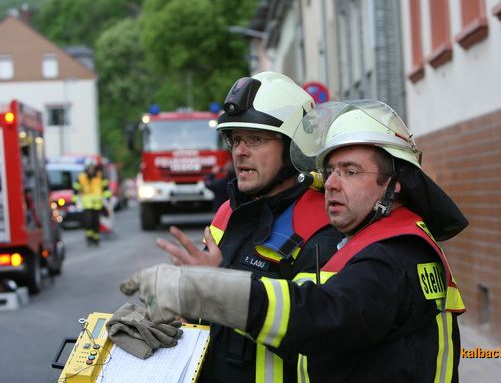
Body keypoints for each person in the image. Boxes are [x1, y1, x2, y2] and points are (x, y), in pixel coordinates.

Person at [122, 99, 469, 382]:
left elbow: (319, 314)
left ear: (395, 183)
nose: (331, 184)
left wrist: (208, 291)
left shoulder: (394, 256)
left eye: (350, 171)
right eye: (330, 171)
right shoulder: (384, 241)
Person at [153, 71, 341, 383]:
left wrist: (220, 289)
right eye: (235, 139)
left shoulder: (323, 226)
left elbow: (317, 332)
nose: (239, 151)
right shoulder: (228, 213)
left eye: (255, 139)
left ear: (296, 147)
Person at [73, 157, 111, 246]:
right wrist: (74, 201)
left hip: (97, 204)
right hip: (87, 205)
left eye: (92, 168)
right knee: (88, 222)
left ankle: (96, 238)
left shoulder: (100, 176)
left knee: (96, 222)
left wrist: (107, 199)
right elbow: (75, 189)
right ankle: (89, 237)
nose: (91, 170)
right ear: (86, 168)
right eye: (89, 168)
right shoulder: (81, 177)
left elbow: (105, 189)